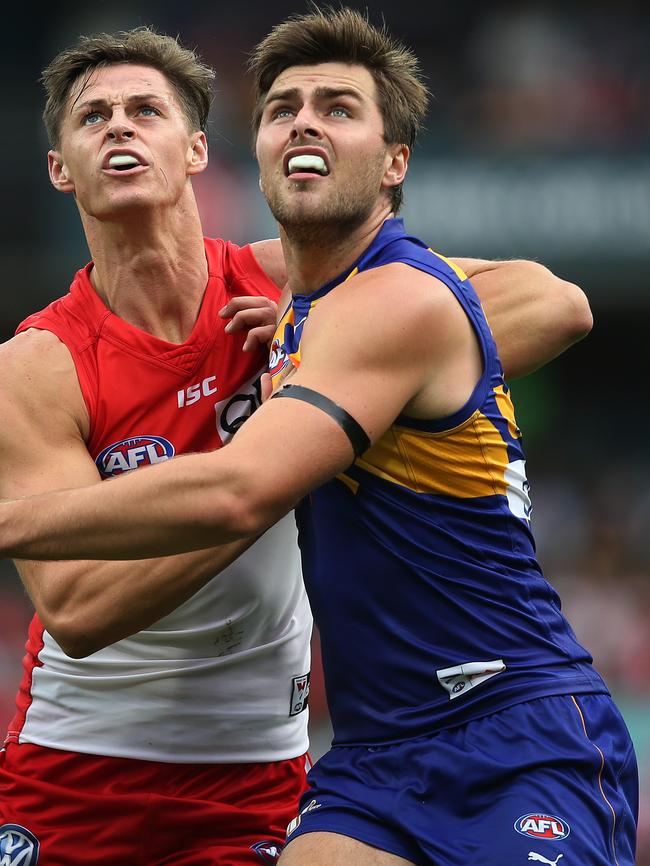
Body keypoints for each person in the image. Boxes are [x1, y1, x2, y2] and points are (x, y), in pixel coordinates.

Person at [0, 15, 615, 866]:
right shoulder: (37, 363)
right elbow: (78, 609)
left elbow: (555, 303)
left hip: (260, 771)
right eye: (94, 117)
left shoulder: (293, 282)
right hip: (75, 771)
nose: (120, 129)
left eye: (146, 111)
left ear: (197, 152)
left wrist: (317, 359)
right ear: (60, 169)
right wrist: (287, 444)